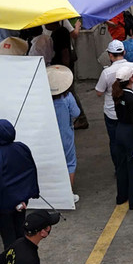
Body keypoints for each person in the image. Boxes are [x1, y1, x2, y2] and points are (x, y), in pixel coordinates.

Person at [94, 45, 133, 205]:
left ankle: (121, 196)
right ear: (131, 79)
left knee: (121, 165)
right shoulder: (132, 99)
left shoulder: (116, 96)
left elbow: (100, 91)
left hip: (119, 129)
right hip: (130, 133)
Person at [0, 119, 39, 250]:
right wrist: (33, 192)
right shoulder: (22, 147)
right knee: (21, 231)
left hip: (5, 206)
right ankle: (25, 257)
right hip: (22, 200)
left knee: (9, 239)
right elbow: (31, 170)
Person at [47, 65, 80, 198]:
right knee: (70, 162)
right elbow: (76, 112)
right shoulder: (67, 97)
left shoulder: (44, 98)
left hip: (48, 135)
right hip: (65, 133)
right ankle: (68, 194)